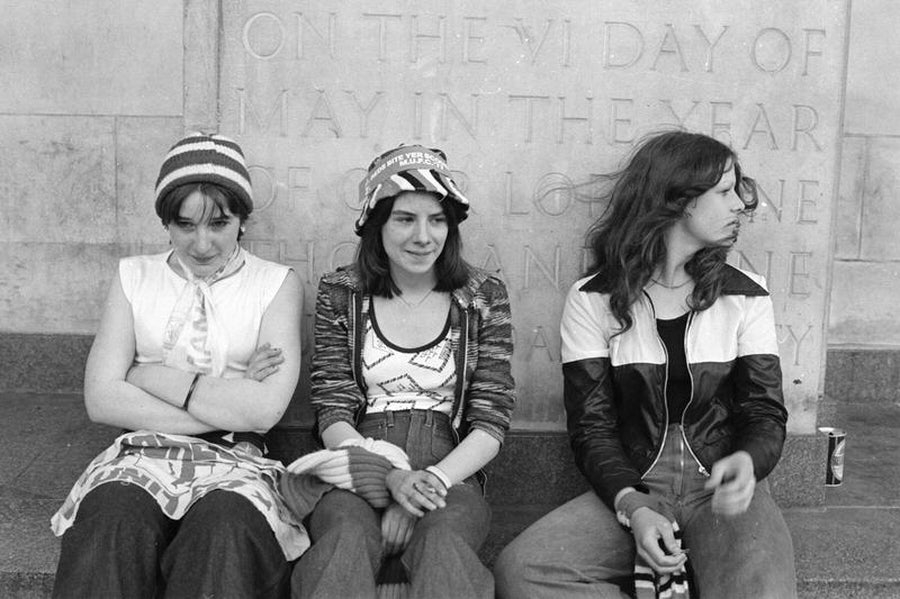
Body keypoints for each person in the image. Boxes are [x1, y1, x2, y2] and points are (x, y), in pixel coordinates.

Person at [494, 130, 797, 599]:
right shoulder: (593, 299)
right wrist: (632, 505)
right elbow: (592, 428)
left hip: (721, 489)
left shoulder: (746, 295)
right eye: (724, 191)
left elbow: (765, 412)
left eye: (737, 191)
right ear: (678, 200)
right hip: (636, 484)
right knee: (524, 570)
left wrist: (747, 460)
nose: (740, 204)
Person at [51, 133, 307, 598]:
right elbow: (101, 400)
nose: (202, 243)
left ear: (242, 220)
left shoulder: (275, 284)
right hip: (140, 452)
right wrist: (229, 399)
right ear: (166, 222)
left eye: (219, 223)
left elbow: (263, 412)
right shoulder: (134, 276)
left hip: (237, 459)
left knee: (224, 530)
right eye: (185, 225)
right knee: (111, 519)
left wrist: (145, 375)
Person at [289, 144, 515, 599]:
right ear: (378, 224)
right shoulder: (341, 293)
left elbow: (491, 419)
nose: (423, 236)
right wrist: (386, 478)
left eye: (437, 220)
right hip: (356, 459)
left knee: (444, 542)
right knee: (343, 537)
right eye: (405, 219)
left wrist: (428, 485)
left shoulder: (482, 295)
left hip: (450, 468)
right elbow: (332, 410)